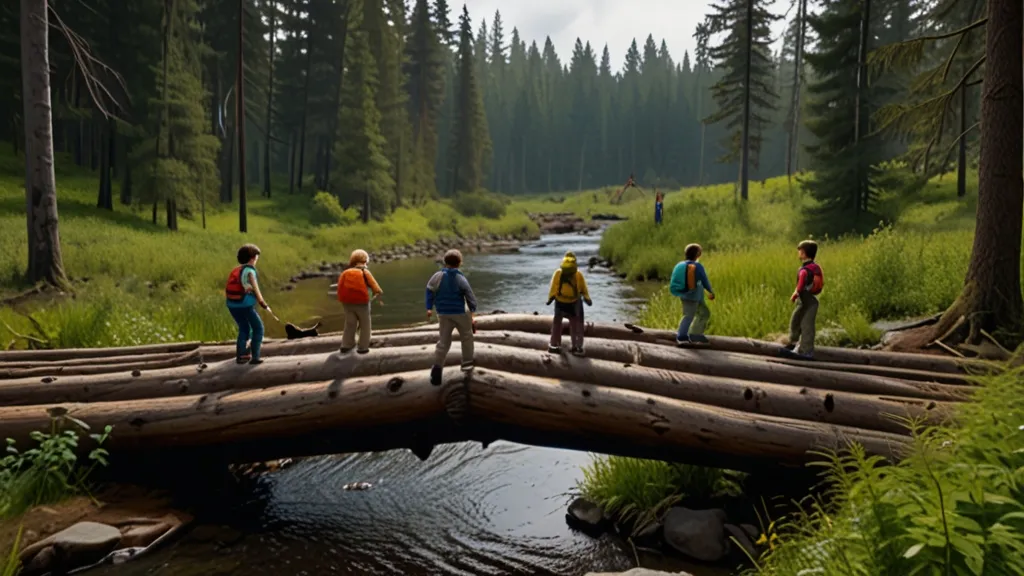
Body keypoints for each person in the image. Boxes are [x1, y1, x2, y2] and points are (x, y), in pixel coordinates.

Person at [426, 249, 478, 385]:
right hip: (459, 312)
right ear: (460, 263)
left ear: (445, 262)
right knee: (466, 337)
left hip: (443, 313)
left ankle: (437, 366)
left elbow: (429, 289)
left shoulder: (437, 276)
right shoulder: (460, 277)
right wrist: (473, 310)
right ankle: (466, 364)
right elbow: (469, 295)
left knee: (443, 341)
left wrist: (429, 307)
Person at [225, 243, 272, 365]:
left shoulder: (237, 270)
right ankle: (255, 357)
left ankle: (242, 356)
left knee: (244, 328)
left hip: (232, 304)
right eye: (256, 257)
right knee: (258, 328)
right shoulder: (250, 271)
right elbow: (256, 289)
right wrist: (263, 303)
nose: (257, 259)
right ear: (252, 258)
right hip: (245, 305)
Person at [336, 249, 384, 354]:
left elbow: (339, 287)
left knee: (350, 323)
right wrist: (378, 293)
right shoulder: (364, 272)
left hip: (347, 303)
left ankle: (346, 345)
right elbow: (374, 285)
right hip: (362, 302)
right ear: (365, 260)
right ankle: (363, 347)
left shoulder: (345, 273)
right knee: (365, 324)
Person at [546, 251, 592, 356]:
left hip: (560, 302)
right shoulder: (578, 274)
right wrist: (587, 298)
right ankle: (577, 347)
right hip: (574, 303)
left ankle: (554, 345)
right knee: (575, 325)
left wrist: (550, 298)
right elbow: (583, 289)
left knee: (557, 324)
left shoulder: (558, 273)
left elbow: (553, 287)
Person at [669, 243, 715, 345]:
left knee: (704, 313)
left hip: (688, 295)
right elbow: (705, 281)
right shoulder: (698, 266)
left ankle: (695, 334)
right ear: (698, 254)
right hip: (693, 296)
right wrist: (711, 291)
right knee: (688, 316)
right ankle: (681, 336)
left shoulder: (679, 265)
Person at [785, 240, 823, 360]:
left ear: (804, 253)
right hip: (805, 301)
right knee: (796, 320)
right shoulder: (814, 267)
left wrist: (795, 294)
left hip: (808, 302)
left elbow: (801, 283)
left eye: (800, 251)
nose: (799, 254)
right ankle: (794, 343)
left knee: (806, 325)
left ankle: (806, 350)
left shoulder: (804, 270)